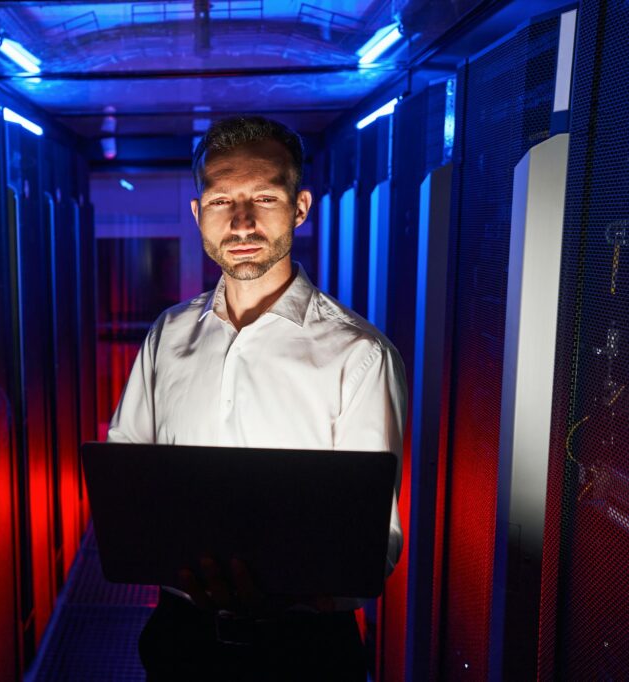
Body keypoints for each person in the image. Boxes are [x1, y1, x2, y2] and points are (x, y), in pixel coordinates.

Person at [107, 116, 406, 680]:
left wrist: (292, 588)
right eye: (222, 200)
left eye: (264, 197)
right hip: (180, 641)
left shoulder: (359, 355)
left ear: (300, 207)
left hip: (303, 653)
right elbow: (127, 486)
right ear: (199, 216)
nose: (241, 221)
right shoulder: (166, 336)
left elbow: (375, 541)